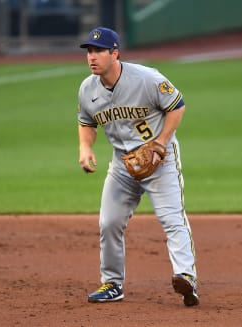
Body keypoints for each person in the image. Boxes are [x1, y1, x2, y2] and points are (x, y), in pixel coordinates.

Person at [77, 27, 199, 306]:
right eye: (89, 51)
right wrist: (85, 148)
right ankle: (112, 283)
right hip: (122, 163)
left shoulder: (146, 78)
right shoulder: (87, 89)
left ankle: (186, 276)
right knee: (109, 222)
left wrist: (160, 143)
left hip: (160, 159)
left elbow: (177, 106)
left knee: (172, 218)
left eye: (98, 51)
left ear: (115, 53)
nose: (92, 57)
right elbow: (86, 121)